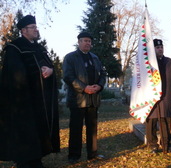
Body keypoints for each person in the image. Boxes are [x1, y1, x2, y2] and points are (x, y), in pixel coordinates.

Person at [0, 15, 60, 168]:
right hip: (23, 102)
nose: (36, 29)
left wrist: (51, 71)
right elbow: (15, 75)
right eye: (33, 27)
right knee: (26, 133)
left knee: (38, 132)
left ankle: (36, 160)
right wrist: (39, 73)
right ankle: (25, 162)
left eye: (36, 26)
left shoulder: (39, 48)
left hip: (41, 102)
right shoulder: (15, 48)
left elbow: (50, 67)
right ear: (23, 30)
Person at [63, 32, 106, 163]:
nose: (87, 43)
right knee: (76, 128)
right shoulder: (70, 58)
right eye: (85, 41)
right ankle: (74, 155)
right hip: (78, 99)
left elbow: (103, 73)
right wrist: (84, 88)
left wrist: (99, 85)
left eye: (89, 41)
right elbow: (68, 76)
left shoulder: (95, 58)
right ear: (79, 42)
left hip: (93, 98)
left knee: (92, 128)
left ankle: (92, 153)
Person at [145, 39, 171, 153]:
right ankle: (152, 145)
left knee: (166, 121)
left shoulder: (170, 62)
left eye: (161, 47)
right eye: (157, 47)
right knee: (151, 122)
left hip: (166, 97)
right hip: (151, 97)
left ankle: (166, 144)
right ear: (153, 49)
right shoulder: (148, 64)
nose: (160, 49)